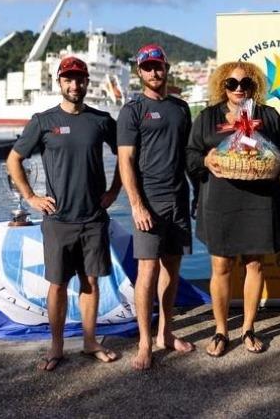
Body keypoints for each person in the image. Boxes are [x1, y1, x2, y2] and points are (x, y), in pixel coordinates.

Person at [6, 56, 121, 372]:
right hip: (58, 220)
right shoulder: (43, 121)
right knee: (57, 285)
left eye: (80, 79)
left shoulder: (101, 120)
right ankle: (56, 347)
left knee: (91, 283)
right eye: (68, 79)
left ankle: (89, 341)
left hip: (93, 218)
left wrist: (114, 192)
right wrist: (30, 197)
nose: (75, 85)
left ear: (87, 82)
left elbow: (126, 156)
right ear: (59, 83)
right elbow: (13, 160)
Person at [186, 62, 280, 357]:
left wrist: (272, 162)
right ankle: (221, 330)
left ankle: (248, 328)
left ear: (254, 85)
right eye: (231, 84)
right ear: (222, 86)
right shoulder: (208, 118)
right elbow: (191, 157)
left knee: (254, 265)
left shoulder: (268, 117)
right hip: (220, 202)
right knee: (220, 266)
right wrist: (207, 160)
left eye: (245, 83)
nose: (238, 89)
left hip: (260, 201)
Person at [118, 44, 195, 370]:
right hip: (148, 202)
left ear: (167, 67)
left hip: (178, 199)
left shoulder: (181, 108)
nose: (154, 72)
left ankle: (166, 332)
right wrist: (136, 205)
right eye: (147, 67)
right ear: (140, 71)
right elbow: (126, 160)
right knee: (147, 272)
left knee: (172, 269)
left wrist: (199, 194)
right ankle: (145, 342)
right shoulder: (132, 110)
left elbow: (189, 156)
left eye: (158, 66)